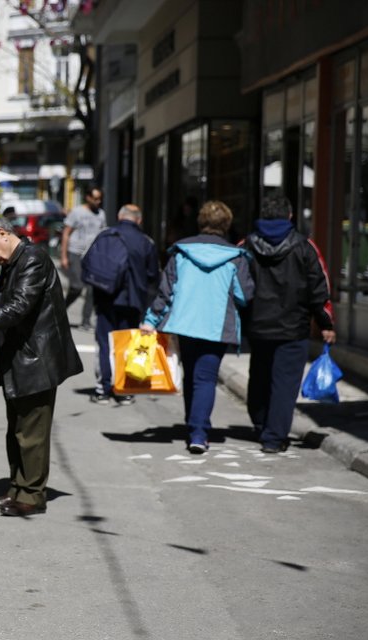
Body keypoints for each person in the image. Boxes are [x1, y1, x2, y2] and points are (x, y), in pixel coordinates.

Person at [0, 217, 83, 517]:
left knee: (31, 431)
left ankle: (32, 495)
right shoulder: (14, 263)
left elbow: (19, 307)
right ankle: (18, 488)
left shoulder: (33, 260)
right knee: (17, 429)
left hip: (37, 360)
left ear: (2, 234)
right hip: (21, 358)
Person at [140, 200, 254, 454]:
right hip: (217, 325)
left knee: (191, 375)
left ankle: (192, 424)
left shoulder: (180, 252)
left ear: (200, 222)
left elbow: (165, 292)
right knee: (206, 378)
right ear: (226, 225)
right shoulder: (236, 257)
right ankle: (199, 432)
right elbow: (244, 295)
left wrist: (150, 320)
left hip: (185, 323)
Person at [244, 194, 336, 453]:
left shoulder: (247, 245)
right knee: (284, 384)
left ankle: (261, 425)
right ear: (290, 216)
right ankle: (273, 438)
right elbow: (320, 289)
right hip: (293, 328)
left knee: (259, 378)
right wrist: (326, 324)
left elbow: (236, 284)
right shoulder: (305, 247)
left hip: (258, 325)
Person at [90, 204, 159, 406]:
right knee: (127, 345)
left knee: (104, 342)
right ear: (139, 220)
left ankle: (102, 388)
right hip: (132, 301)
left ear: (120, 217)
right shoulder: (146, 242)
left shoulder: (104, 236)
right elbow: (153, 275)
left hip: (105, 297)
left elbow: (90, 264)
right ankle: (124, 389)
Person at [60, 185, 106, 329]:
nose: (98, 202)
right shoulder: (77, 212)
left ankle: (85, 321)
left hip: (93, 256)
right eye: (95, 198)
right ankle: (60, 310)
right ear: (88, 197)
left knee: (92, 289)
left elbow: (102, 235)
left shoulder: (101, 214)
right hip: (75, 253)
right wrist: (64, 256)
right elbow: (66, 233)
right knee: (77, 286)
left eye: (100, 199)